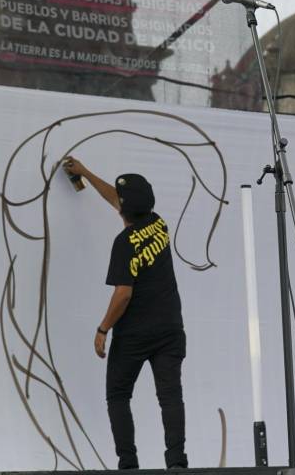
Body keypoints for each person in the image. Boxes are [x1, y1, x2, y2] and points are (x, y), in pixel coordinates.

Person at [63, 156, 188, 470]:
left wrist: (103, 328)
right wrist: (86, 173)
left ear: (125, 208)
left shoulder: (124, 244)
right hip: (170, 327)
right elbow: (117, 200)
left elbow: (123, 294)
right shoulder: (158, 223)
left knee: (117, 395)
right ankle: (177, 463)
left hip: (134, 335)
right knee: (170, 396)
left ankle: (128, 465)